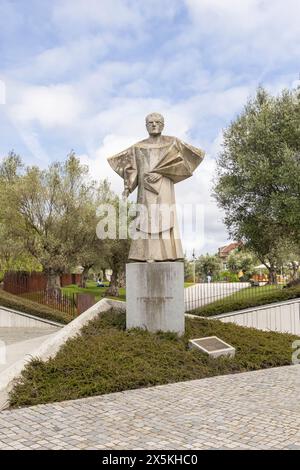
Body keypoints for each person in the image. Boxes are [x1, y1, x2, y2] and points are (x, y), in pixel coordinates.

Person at [107, 113, 204, 262]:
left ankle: (168, 255)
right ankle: (146, 255)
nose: (154, 125)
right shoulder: (138, 147)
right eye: (150, 122)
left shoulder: (173, 143)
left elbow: (193, 157)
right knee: (146, 219)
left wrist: (162, 172)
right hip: (145, 188)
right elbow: (130, 167)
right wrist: (127, 188)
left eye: (157, 122)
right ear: (146, 126)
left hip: (164, 185)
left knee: (165, 218)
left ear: (163, 125)